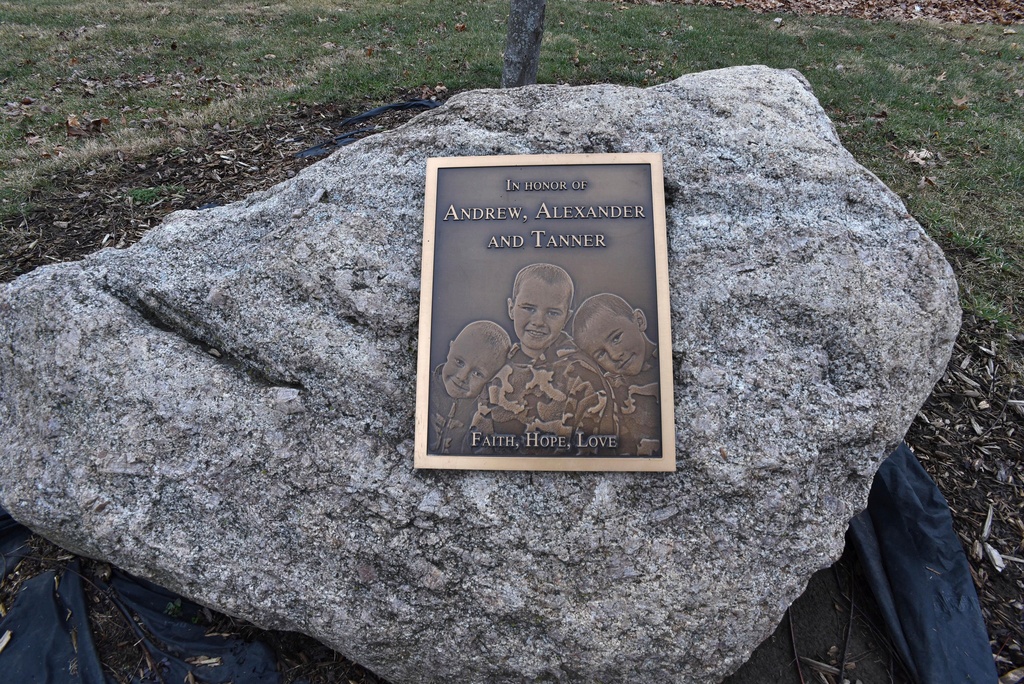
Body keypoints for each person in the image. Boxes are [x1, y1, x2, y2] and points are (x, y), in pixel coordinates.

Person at [471, 263, 613, 453]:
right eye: (529, 308)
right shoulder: (496, 365)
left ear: (566, 319)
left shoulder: (583, 375)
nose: (538, 321)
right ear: (511, 308)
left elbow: (594, 450)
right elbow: (477, 444)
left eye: (553, 313)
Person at [572, 293, 661, 456]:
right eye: (600, 354)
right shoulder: (607, 389)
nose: (614, 355)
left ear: (639, 321)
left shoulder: (667, 364)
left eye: (616, 338)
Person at [429, 320, 511, 454]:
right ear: (450, 350)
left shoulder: (485, 414)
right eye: (459, 362)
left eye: (477, 373)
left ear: (491, 378)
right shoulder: (424, 391)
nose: (462, 376)